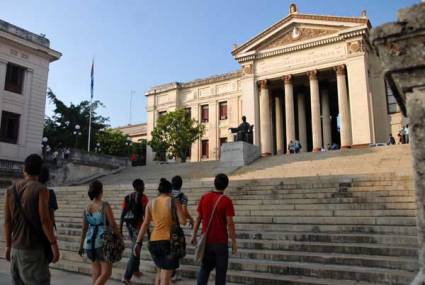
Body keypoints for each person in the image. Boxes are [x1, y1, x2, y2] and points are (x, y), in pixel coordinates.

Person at [3, 154, 60, 285]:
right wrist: (54, 245)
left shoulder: (10, 190)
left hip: (16, 250)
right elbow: (45, 220)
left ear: (24, 169)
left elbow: (7, 221)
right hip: (33, 250)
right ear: (40, 171)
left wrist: (7, 245)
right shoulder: (41, 189)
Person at [134, 178, 187, 285]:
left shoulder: (150, 203)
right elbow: (183, 221)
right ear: (170, 191)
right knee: (165, 279)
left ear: (159, 191)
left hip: (153, 243)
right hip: (168, 243)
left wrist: (138, 243)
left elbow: (145, 224)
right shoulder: (174, 201)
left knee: (163, 275)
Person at [191, 173, 237, 285]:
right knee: (221, 273)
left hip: (206, 241)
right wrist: (234, 242)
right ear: (226, 186)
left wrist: (193, 235)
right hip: (221, 242)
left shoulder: (204, 198)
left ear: (214, 183)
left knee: (204, 269)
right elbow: (230, 223)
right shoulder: (226, 201)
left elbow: (198, 218)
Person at [78, 180, 122, 285]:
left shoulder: (86, 208)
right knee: (106, 273)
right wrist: (119, 237)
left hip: (88, 244)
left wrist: (80, 246)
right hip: (102, 242)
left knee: (96, 272)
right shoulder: (104, 205)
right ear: (101, 191)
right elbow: (113, 224)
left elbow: (84, 228)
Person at [120, 179, 149, 284]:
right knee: (135, 249)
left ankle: (136, 270)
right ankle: (126, 276)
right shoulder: (143, 198)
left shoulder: (127, 197)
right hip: (139, 227)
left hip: (129, 226)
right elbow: (147, 216)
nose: (144, 187)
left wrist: (120, 229)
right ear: (140, 186)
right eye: (143, 185)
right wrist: (149, 232)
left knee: (137, 248)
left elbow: (122, 215)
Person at [170, 175, 194, 281]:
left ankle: (167, 274)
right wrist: (191, 219)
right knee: (175, 248)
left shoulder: (166, 194)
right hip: (175, 226)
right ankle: (172, 274)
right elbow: (183, 212)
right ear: (181, 185)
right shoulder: (182, 196)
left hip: (164, 225)